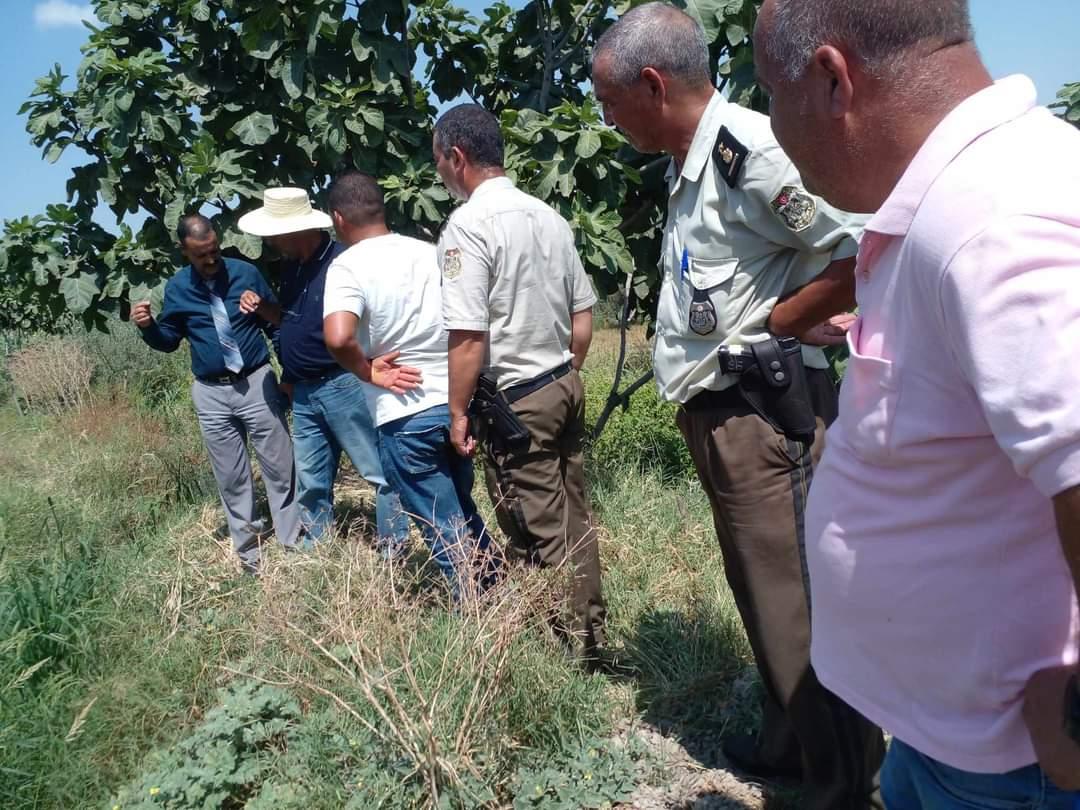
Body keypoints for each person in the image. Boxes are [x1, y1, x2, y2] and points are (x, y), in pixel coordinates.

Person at [753, 0, 1080, 805]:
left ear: (832, 80)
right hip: (952, 740)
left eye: (770, 93)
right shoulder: (963, 196)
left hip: (1013, 769)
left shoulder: (988, 220)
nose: (772, 125)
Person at [592, 5, 884, 808]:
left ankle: (844, 786)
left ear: (654, 86)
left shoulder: (750, 150)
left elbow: (861, 246)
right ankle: (790, 745)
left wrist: (785, 320)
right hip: (724, 417)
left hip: (763, 413)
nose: (607, 120)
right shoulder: (692, 163)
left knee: (797, 606)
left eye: (611, 102)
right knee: (762, 594)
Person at [432, 104, 606, 660]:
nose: (440, 174)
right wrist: (568, 372)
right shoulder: (549, 217)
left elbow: (467, 336)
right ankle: (590, 627)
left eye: (439, 162)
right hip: (562, 383)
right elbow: (583, 316)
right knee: (574, 517)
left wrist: (458, 412)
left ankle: (572, 651)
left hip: (517, 402)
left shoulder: (468, 227)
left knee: (537, 527)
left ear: (456, 157)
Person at [320, 171, 496, 597]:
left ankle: (478, 612)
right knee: (462, 512)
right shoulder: (430, 253)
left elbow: (338, 337)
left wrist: (368, 371)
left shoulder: (346, 266)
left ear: (338, 218)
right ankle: (499, 591)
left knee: (443, 526)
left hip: (404, 414)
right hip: (453, 404)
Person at [237, 187, 409, 551]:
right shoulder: (291, 268)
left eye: (273, 235)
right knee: (312, 477)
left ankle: (395, 547)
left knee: (377, 470)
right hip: (303, 390)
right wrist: (267, 313)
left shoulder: (342, 262)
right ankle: (317, 546)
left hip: (343, 383)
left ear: (293, 230)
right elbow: (292, 321)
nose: (270, 242)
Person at [132, 214, 299, 574]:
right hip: (211, 394)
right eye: (201, 255)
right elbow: (169, 341)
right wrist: (148, 328)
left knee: (281, 468)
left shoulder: (245, 273)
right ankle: (250, 558)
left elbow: (278, 324)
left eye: (214, 251)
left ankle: (293, 545)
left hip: (256, 383)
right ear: (184, 251)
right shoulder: (177, 288)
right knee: (231, 478)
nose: (210, 260)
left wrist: (288, 373)